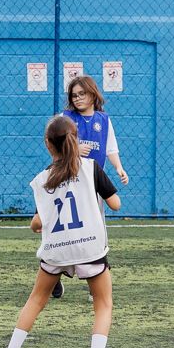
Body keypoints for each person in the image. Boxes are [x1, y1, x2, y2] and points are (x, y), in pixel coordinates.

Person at [0, 115, 124, 348]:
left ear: (48, 145)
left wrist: (40, 223)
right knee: (103, 304)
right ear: (74, 140)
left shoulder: (41, 180)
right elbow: (115, 204)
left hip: (57, 250)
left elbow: (37, 223)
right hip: (89, 247)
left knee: (36, 299)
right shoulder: (91, 167)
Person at [56, 75, 130, 299]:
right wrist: (73, 149)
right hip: (68, 180)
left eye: (82, 94)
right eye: (74, 95)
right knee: (64, 230)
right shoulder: (65, 118)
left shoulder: (103, 120)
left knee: (96, 232)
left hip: (93, 181)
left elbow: (111, 148)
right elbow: (55, 145)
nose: (77, 99)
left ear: (92, 94)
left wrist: (118, 167)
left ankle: (94, 286)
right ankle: (54, 274)